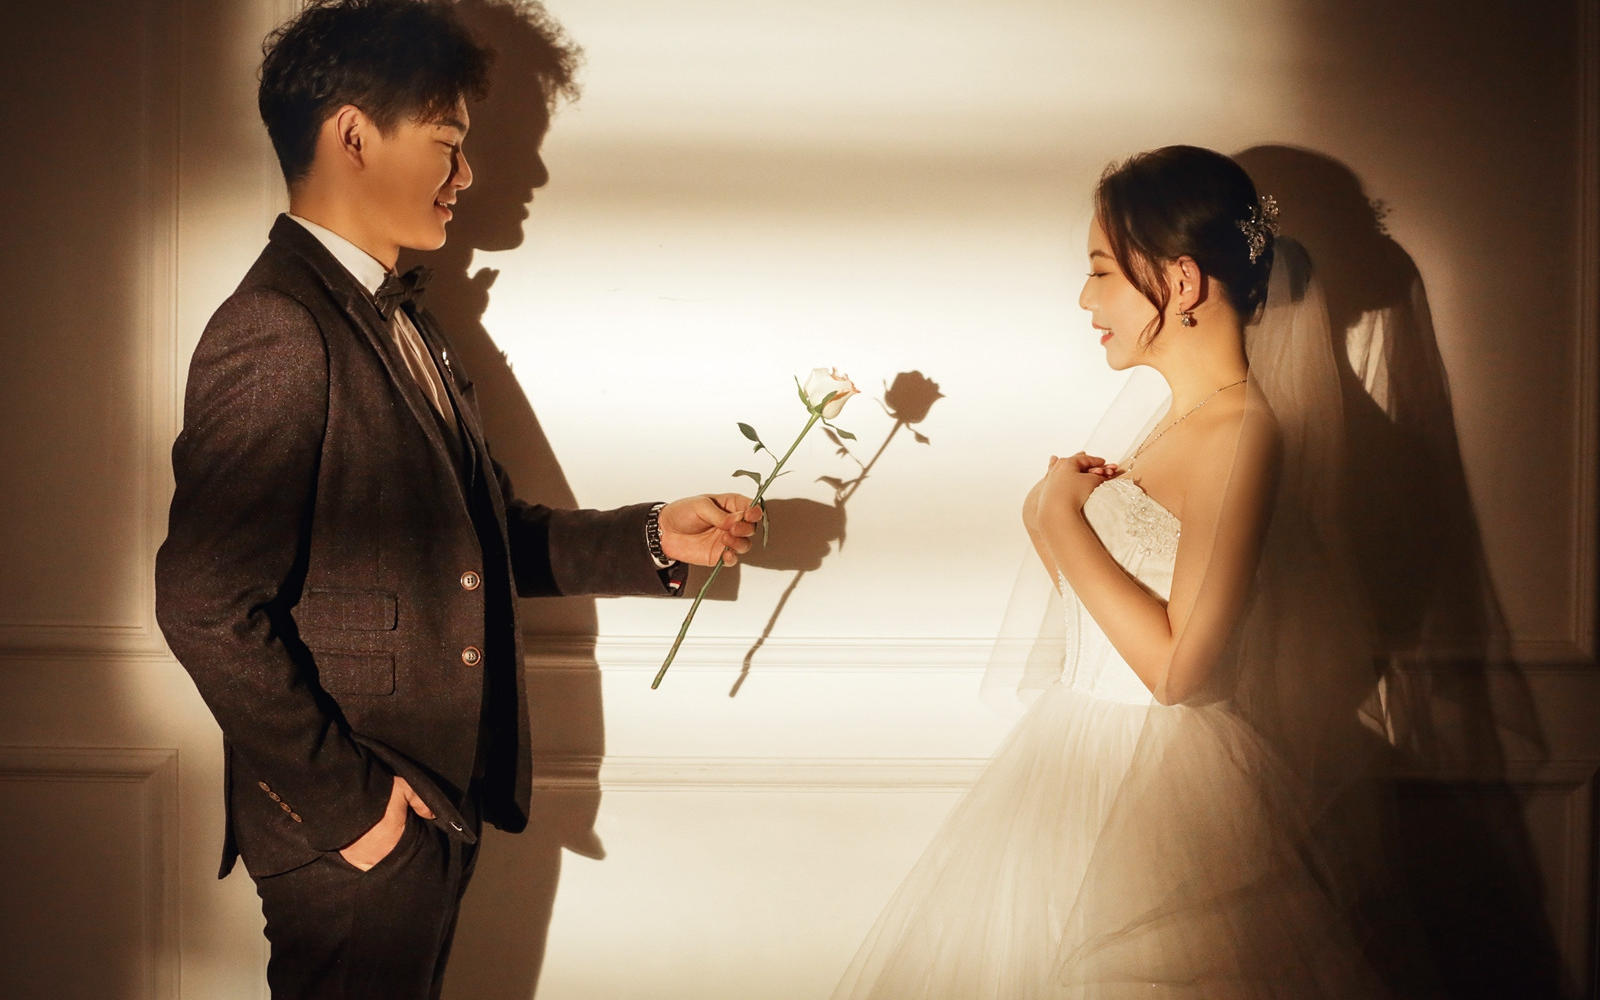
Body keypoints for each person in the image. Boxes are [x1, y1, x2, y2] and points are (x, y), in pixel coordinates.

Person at [153, 1, 761, 996]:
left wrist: (656, 535)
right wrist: (353, 810)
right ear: (354, 135)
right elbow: (204, 603)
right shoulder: (277, 327)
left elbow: (479, 544)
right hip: (358, 829)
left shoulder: (405, 321)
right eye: (448, 143)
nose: (469, 175)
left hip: (428, 808)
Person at [830, 146, 1405, 998]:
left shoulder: (1241, 434)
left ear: (1180, 281)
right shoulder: (1176, 424)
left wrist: (1061, 517)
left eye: (1101, 270)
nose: (1085, 298)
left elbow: (1175, 671)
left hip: (1164, 782)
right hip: (1079, 759)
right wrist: (1056, 519)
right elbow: (1099, 613)